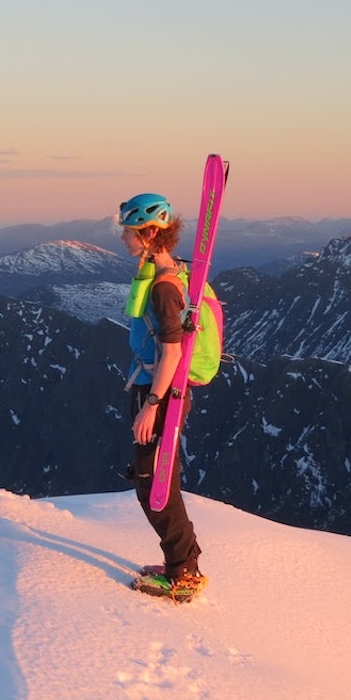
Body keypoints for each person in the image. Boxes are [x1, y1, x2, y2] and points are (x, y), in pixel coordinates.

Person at [118, 192, 203, 589]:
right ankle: (183, 562)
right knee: (157, 480)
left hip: (160, 392)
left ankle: (183, 573)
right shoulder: (173, 274)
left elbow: (171, 350)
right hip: (159, 389)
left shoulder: (165, 287)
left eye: (130, 230)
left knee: (154, 483)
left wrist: (151, 405)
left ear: (150, 233)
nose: (124, 237)